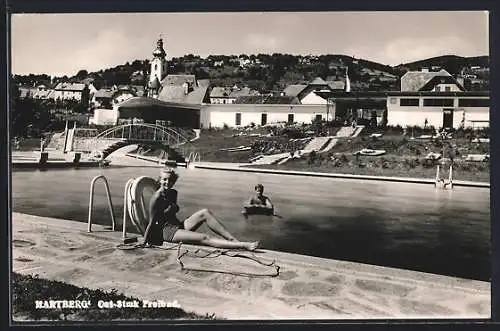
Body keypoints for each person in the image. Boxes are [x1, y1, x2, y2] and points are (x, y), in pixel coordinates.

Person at [140, 167, 258, 251]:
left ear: (174, 181)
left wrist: (173, 210)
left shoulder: (173, 193)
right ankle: (243, 245)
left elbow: (172, 213)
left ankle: (233, 240)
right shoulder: (156, 198)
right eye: (164, 179)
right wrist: (144, 243)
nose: (167, 182)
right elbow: (151, 222)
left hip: (177, 226)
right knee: (204, 237)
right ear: (159, 180)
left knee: (205, 212)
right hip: (166, 231)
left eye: (170, 180)